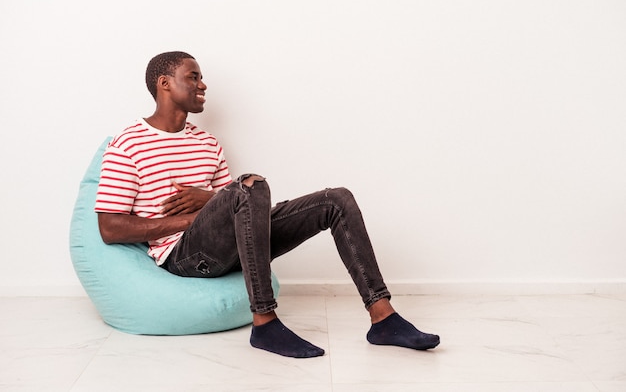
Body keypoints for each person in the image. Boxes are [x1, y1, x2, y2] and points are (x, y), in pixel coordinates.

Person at [95, 51, 440, 358]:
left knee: (336, 199)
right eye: (193, 76)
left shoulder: (207, 143)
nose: (203, 85)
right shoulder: (128, 144)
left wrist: (212, 199)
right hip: (185, 257)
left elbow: (232, 205)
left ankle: (383, 318)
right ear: (164, 83)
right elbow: (110, 228)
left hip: (230, 244)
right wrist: (193, 218)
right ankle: (264, 321)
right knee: (250, 184)